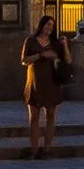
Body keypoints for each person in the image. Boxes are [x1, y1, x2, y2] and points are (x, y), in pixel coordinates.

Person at [20, 15, 66, 160]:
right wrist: (41, 55)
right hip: (34, 82)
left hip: (51, 82)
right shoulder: (31, 41)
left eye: (52, 26)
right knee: (34, 117)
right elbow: (24, 60)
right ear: (41, 25)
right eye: (47, 25)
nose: (49, 28)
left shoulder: (55, 43)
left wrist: (64, 45)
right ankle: (33, 149)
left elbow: (67, 60)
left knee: (50, 116)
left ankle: (47, 148)